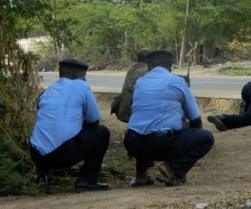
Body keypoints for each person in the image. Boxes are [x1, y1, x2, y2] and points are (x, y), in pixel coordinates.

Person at [124, 50, 214, 187]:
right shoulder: (176, 81)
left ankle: (141, 175)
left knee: (144, 129)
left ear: (149, 66)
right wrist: (188, 138)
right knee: (206, 138)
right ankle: (172, 169)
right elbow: (196, 119)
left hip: (132, 143)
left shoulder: (140, 82)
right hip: (160, 144)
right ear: (170, 66)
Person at [30, 58, 110, 192]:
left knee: (46, 130)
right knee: (102, 132)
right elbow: (93, 120)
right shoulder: (81, 86)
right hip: (61, 156)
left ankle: (42, 176)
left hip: (36, 154)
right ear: (75, 74)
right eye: (83, 76)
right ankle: (87, 180)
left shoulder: (47, 91)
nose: (84, 79)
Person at [111, 49, 150, 122]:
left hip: (124, 110)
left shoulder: (132, 69)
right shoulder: (148, 71)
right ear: (148, 59)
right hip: (134, 112)